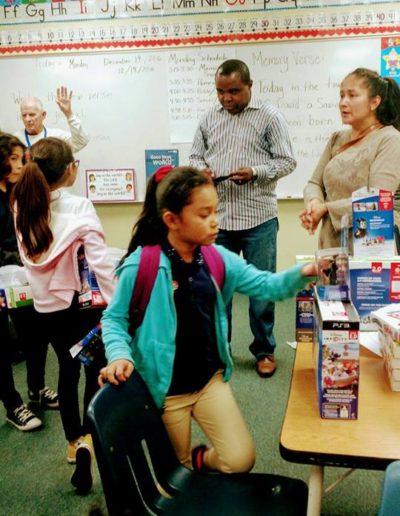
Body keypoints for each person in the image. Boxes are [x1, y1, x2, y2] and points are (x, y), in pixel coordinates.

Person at [99, 167, 316, 474]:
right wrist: (119, 355)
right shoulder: (142, 266)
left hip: (208, 382)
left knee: (240, 460)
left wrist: (304, 273)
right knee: (175, 474)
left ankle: (200, 460)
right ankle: (187, 465)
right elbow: (114, 320)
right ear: (172, 220)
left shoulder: (217, 258)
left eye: (216, 211)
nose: (215, 221)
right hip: (166, 391)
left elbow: (266, 285)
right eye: (203, 214)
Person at [11, 137, 116, 494]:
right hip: (81, 308)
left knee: (66, 374)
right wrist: (118, 304)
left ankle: (74, 443)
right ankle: (92, 440)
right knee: (92, 371)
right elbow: (100, 264)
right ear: (69, 169)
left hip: (47, 309)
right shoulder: (79, 207)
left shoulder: (21, 205)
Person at [189, 59, 296, 378]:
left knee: (261, 290)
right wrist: (200, 171)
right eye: (220, 92)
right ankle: (220, 352)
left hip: (258, 218)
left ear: (250, 86)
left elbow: (287, 161)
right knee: (215, 291)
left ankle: (264, 350)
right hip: (217, 221)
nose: (226, 98)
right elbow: (195, 155)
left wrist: (256, 172)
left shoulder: (270, 117)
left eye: (234, 91)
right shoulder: (209, 117)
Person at [300, 67, 400, 252]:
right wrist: (314, 203)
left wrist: (326, 208)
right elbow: (314, 183)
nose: (343, 103)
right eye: (341, 95)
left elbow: (378, 199)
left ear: (374, 102)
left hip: (372, 244)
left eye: (352, 95)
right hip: (332, 243)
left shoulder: (391, 139)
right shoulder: (336, 139)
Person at [0, 133, 58, 431]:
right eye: (13, 159)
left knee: (36, 334)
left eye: (22, 159)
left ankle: (36, 389)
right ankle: (13, 405)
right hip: (2, 277)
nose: (21, 165)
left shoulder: (20, 190)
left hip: (21, 278)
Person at [14, 86, 89, 153]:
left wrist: (69, 114)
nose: (27, 119)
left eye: (32, 115)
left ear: (43, 115)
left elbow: (80, 143)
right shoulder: (16, 139)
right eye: (24, 115)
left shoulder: (56, 136)